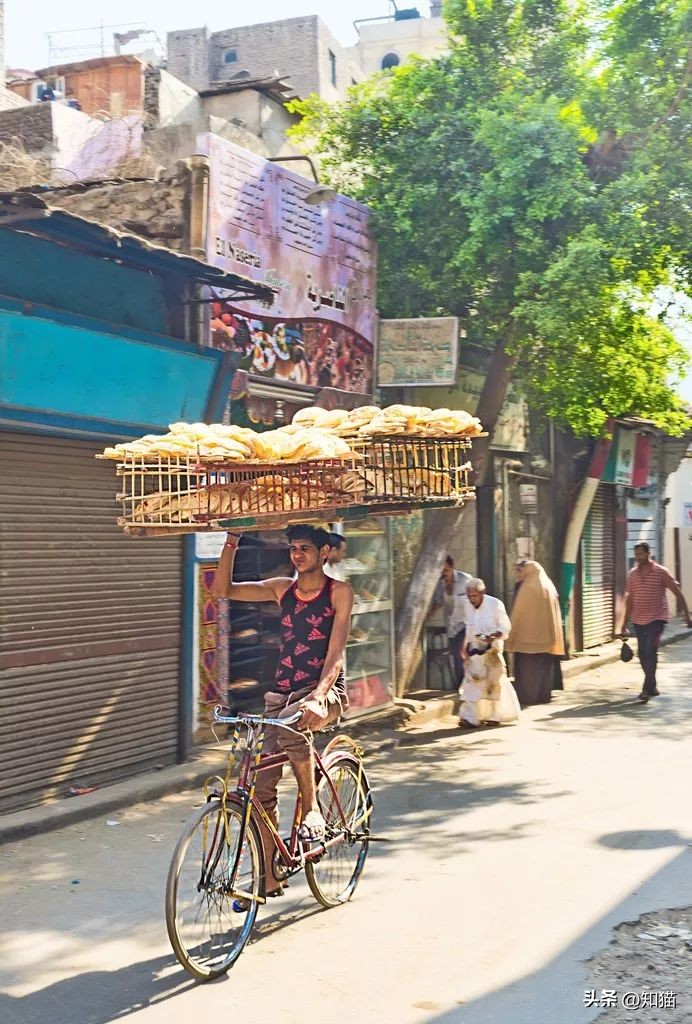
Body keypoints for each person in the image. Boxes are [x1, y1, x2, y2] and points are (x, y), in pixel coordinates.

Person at [213, 523, 353, 899]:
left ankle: (312, 811)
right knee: (259, 787)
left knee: (294, 731)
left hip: (324, 692)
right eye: (293, 549)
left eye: (305, 548)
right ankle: (271, 874)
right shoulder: (281, 588)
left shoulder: (339, 593)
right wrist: (231, 540)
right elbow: (222, 590)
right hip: (281, 694)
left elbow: (336, 654)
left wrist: (319, 696)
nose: (297, 555)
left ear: (323, 553)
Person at [616, 542, 691, 702]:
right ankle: (652, 685)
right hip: (639, 620)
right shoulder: (633, 574)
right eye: (636, 555)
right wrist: (623, 624)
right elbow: (630, 600)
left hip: (657, 619)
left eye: (641, 554)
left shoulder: (661, 572)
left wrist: (687, 616)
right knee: (643, 654)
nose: (638, 558)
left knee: (651, 649)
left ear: (648, 554)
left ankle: (645, 689)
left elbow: (677, 593)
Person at [459, 579, 519, 727]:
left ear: (482, 593)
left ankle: (494, 716)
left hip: (492, 650)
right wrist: (464, 647)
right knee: (471, 682)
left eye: (475, 596)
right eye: (469, 596)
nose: (472, 599)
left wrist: (494, 636)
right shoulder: (467, 606)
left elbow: (505, 626)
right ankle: (469, 718)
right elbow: (468, 627)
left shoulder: (495, 604)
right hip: (474, 649)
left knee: (493, 684)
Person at [506, 560, 565, 705]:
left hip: (527, 639)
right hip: (546, 638)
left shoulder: (527, 587)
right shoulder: (548, 585)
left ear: (527, 570)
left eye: (520, 571)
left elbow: (518, 613)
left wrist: (511, 634)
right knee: (543, 669)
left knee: (528, 672)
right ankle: (543, 696)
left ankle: (528, 698)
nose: (518, 574)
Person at [431, 555, 472, 686]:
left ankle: (468, 687)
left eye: (446, 570)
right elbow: (438, 602)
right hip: (452, 627)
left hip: (465, 625)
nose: (444, 574)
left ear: (452, 568)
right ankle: (461, 688)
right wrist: (429, 613)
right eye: (441, 571)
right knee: (456, 659)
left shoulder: (465, 579)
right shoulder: (440, 584)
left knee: (463, 657)